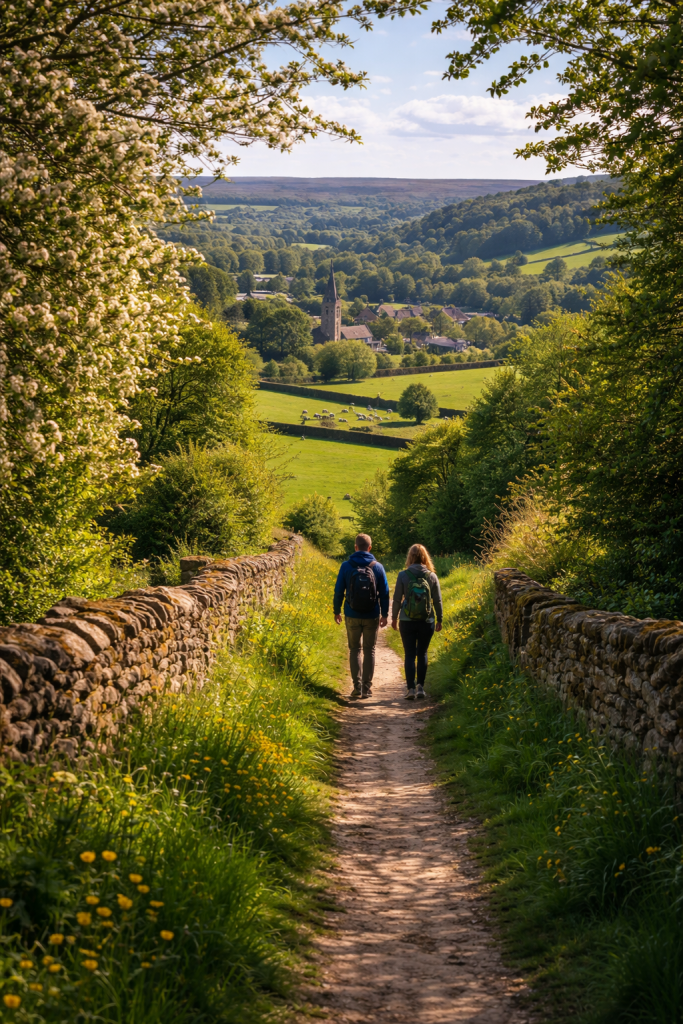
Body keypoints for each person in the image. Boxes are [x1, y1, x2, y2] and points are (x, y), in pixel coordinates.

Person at [334, 533, 389, 699]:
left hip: (351, 614)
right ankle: (366, 687)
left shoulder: (346, 566)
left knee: (354, 650)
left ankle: (357, 686)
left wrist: (337, 611)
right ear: (370, 548)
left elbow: (339, 590)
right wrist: (384, 614)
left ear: (355, 547)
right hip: (372, 614)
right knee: (370, 650)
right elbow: (384, 593)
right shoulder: (377, 567)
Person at [391, 544, 443, 700]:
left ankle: (410, 689)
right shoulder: (432, 576)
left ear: (410, 557)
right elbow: (437, 600)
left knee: (409, 654)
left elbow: (397, 599)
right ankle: (420, 687)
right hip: (427, 620)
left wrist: (394, 618)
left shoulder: (403, 575)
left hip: (407, 620)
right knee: (422, 653)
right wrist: (439, 619)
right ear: (425, 557)